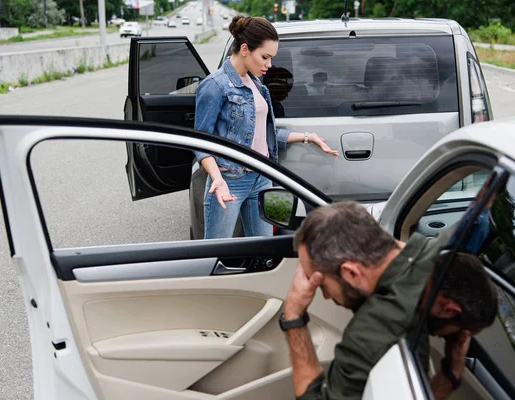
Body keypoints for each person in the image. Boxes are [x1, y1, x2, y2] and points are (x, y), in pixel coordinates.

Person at [281, 201, 498, 400]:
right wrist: (451, 373)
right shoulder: (445, 245)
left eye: (323, 285)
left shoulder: (372, 334)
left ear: (351, 274)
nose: (326, 296)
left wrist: (293, 316)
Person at [193, 16, 339, 239]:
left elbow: (263, 133)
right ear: (244, 49)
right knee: (215, 253)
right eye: (265, 57)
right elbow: (201, 141)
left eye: (271, 58)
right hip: (230, 180)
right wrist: (217, 179)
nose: (269, 65)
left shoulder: (258, 86)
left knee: (265, 252)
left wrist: (308, 137)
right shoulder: (215, 86)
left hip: (262, 177)